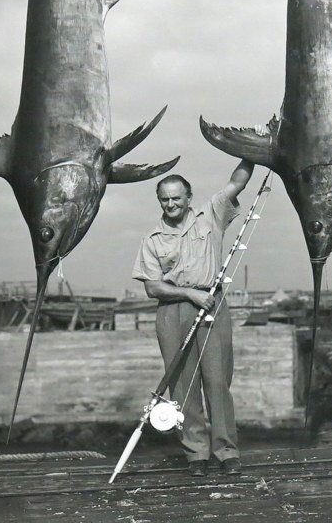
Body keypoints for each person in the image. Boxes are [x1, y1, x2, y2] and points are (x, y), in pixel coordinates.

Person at [132, 159, 254, 477]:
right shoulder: (152, 239)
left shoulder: (210, 216)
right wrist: (188, 294)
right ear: (160, 201)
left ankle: (226, 451)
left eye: (177, 197)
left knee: (217, 381)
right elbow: (152, 286)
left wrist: (252, 153)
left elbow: (237, 182)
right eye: (165, 199)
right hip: (172, 310)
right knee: (183, 386)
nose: (171, 204)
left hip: (212, 304)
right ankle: (196, 454)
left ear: (189, 197)